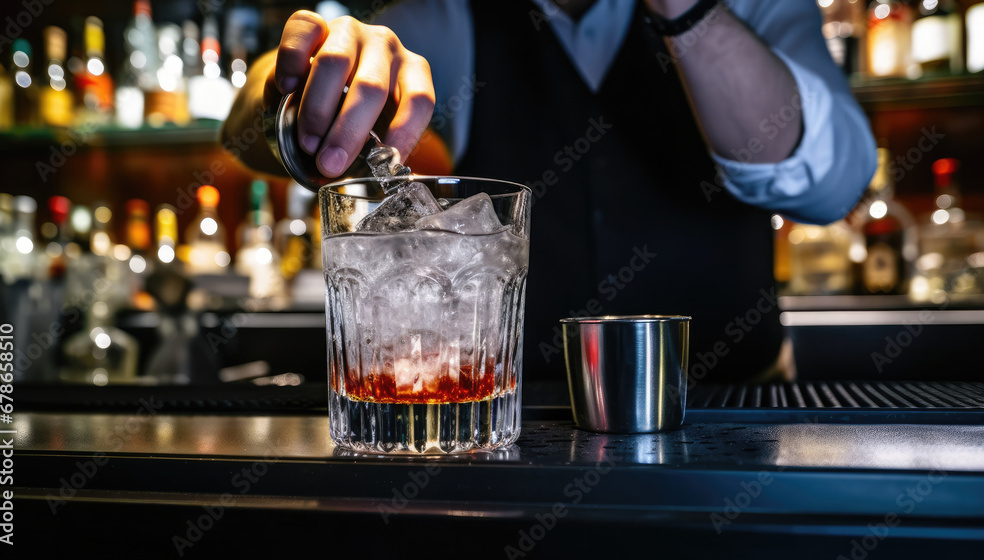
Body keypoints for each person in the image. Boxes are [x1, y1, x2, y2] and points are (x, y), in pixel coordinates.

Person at [223, 0, 877, 383]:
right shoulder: (450, 17)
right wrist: (298, 86)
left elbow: (833, 187)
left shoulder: (755, 7)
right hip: (519, 437)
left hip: (736, 424)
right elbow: (242, 127)